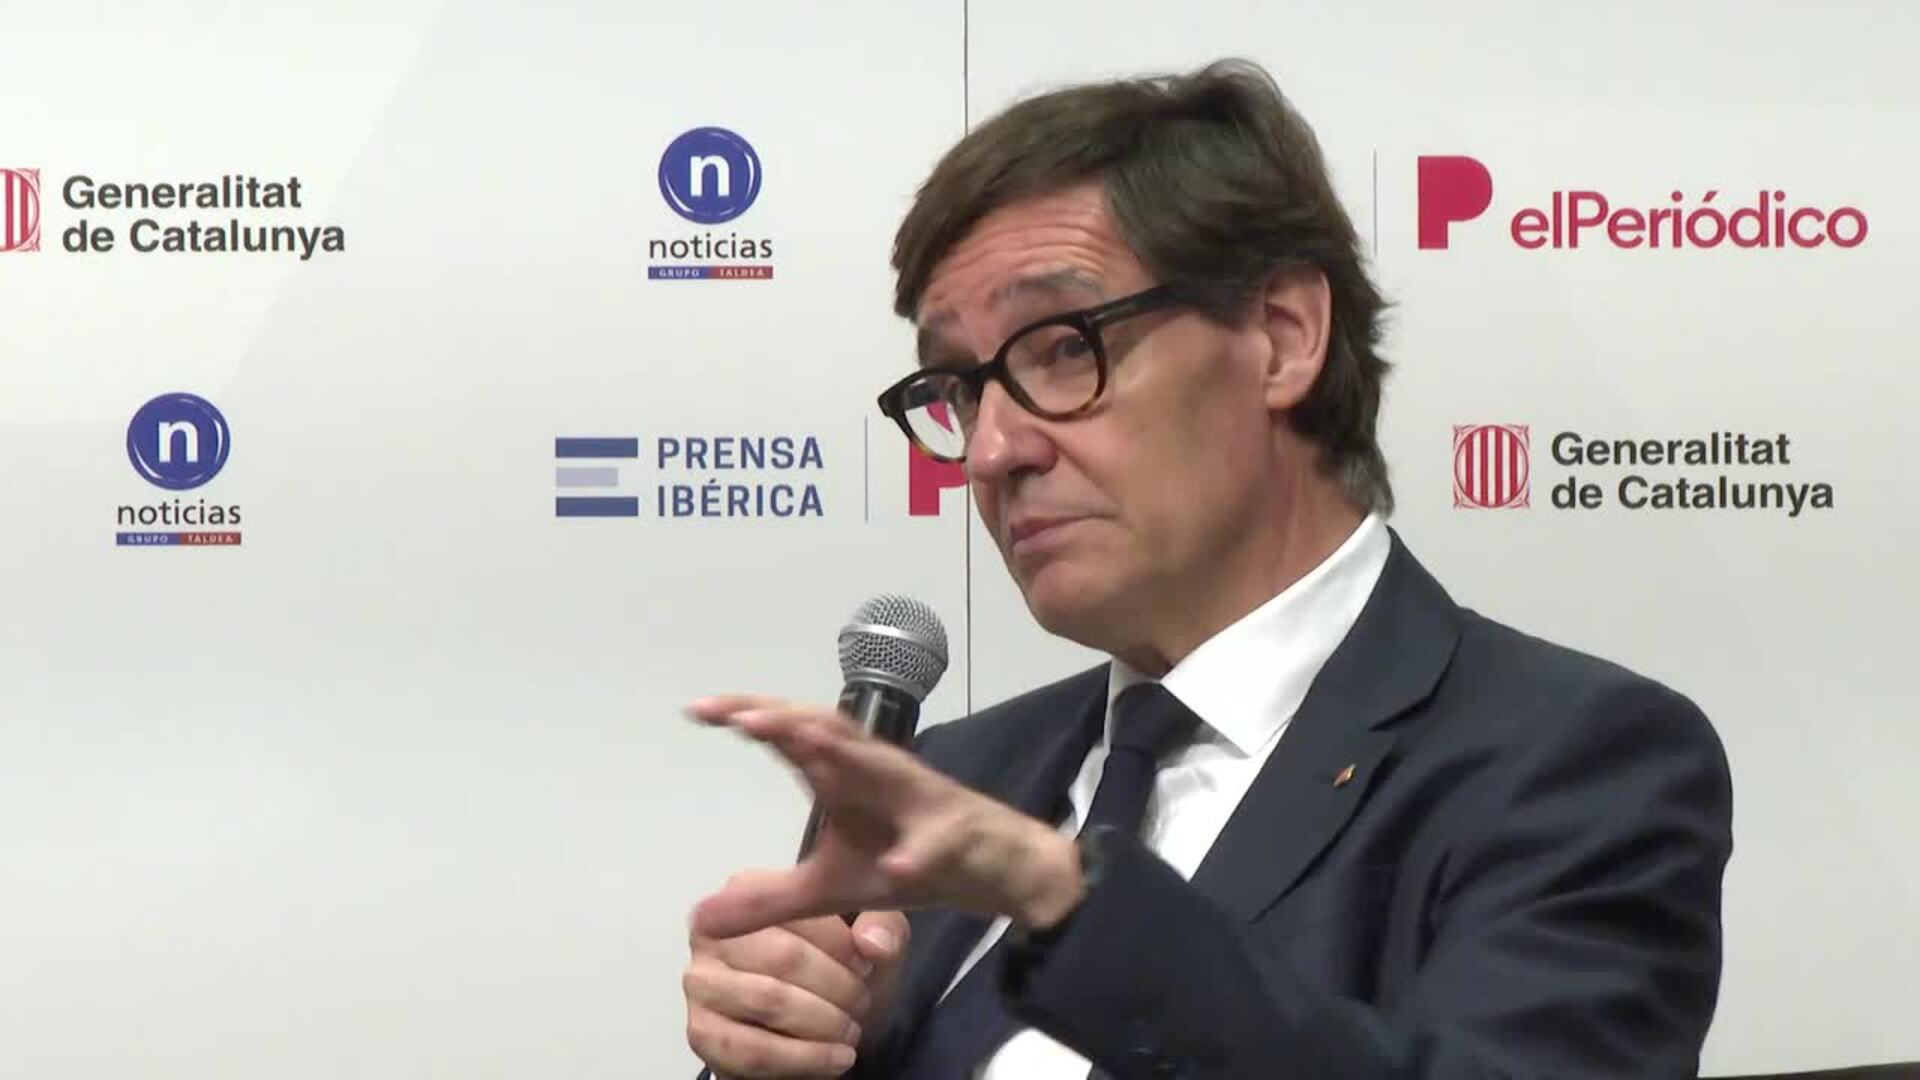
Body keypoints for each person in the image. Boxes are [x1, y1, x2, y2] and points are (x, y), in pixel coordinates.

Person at [680, 58, 1734, 1079]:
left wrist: (1068, 903)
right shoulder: (953, 775)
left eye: (1062, 347)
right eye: (961, 388)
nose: (994, 450)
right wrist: (803, 1052)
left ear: (1282, 337)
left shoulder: (1573, 761)